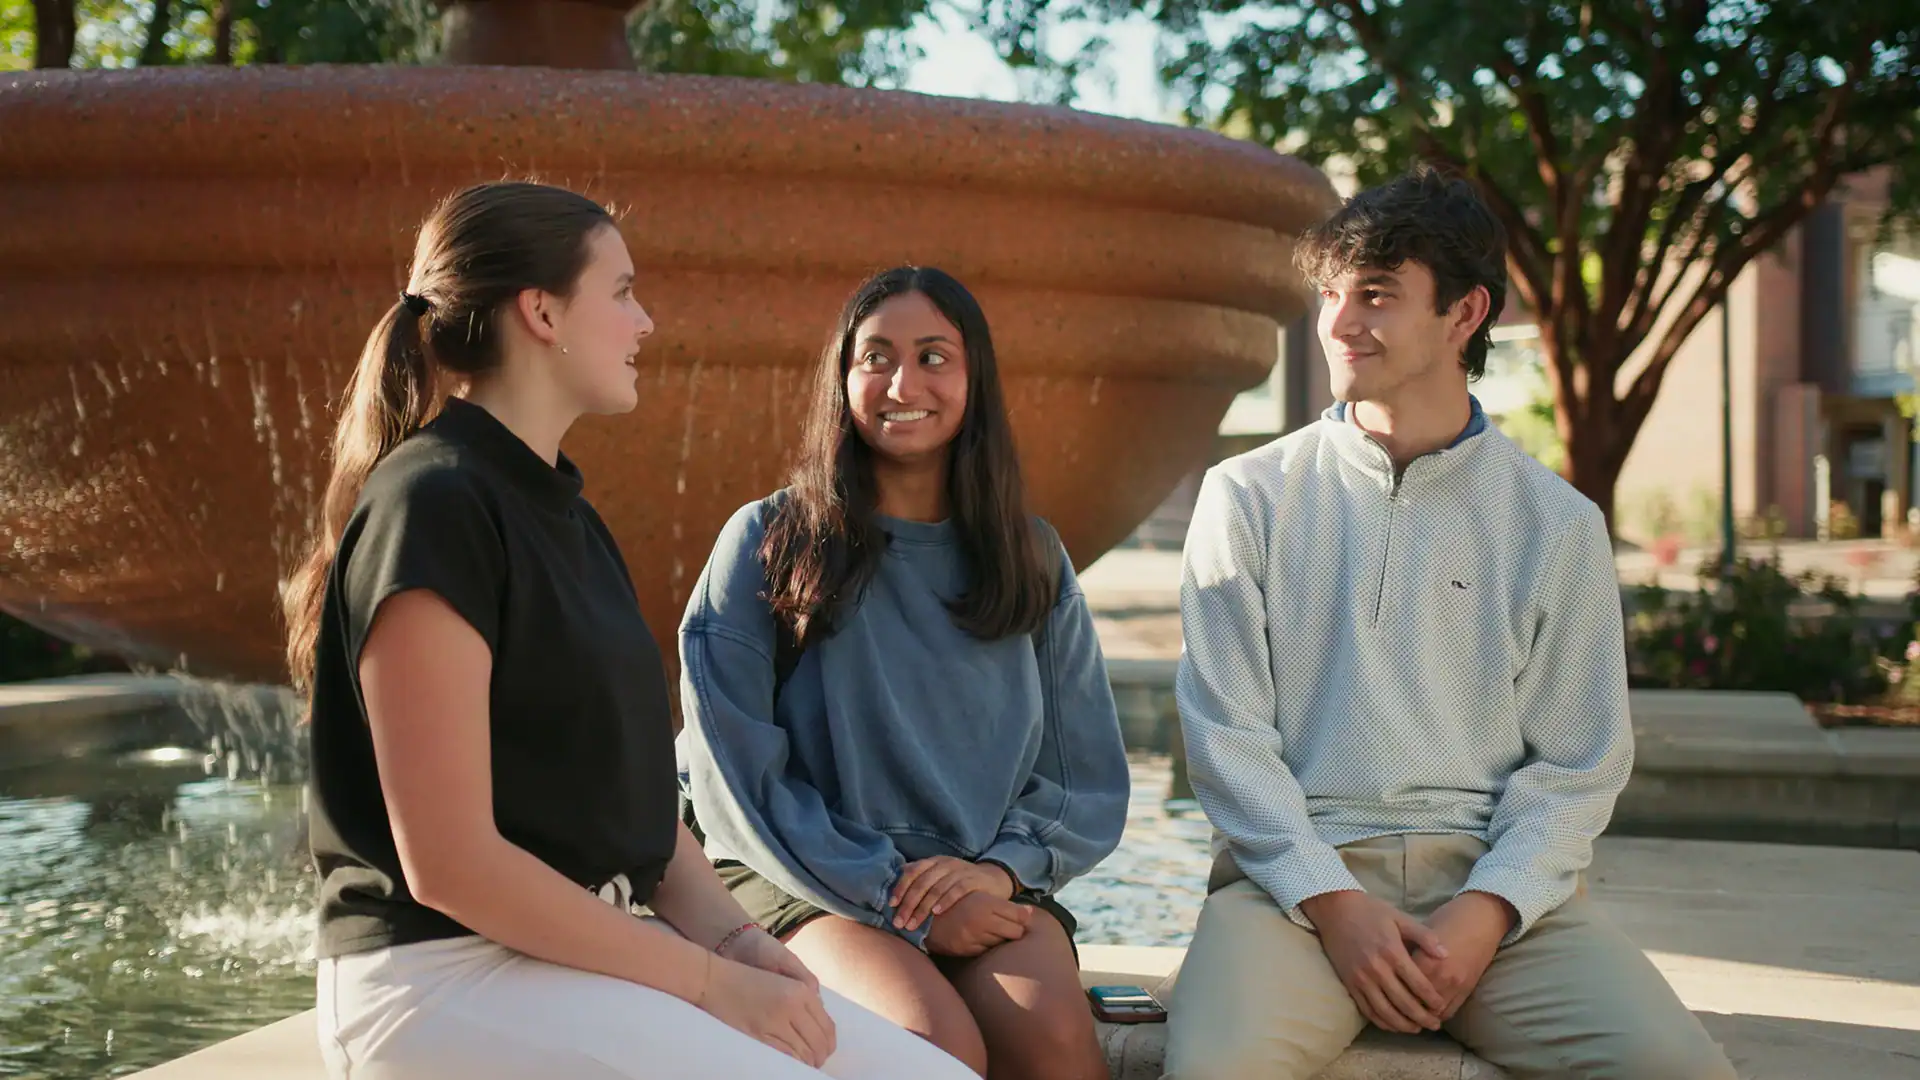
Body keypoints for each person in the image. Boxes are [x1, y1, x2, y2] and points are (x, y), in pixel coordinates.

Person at [284, 182, 978, 1080]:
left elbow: (646, 813)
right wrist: (706, 983)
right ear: (542, 312)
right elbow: (450, 866)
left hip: (582, 956)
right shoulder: (433, 505)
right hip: (439, 980)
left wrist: (738, 945)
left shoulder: (570, 518)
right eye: (620, 291)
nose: (644, 321)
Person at [1162, 169, 1738, 1080]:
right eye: (1331, 295)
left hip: (1493, 894)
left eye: (1377, 295)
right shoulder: (1248, 496)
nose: (1340, 323)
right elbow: (1225, 737)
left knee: (1681, 1072)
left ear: (1465, 314)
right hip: (1293, 894)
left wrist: (1489, 911)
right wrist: (1332, 903)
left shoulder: (1556, 523)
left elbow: (1579, 765)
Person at [677, 266, 1131, 1080]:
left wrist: (998, 872)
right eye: (876, 357)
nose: (902, 384)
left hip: (977, 877)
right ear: (842, 377)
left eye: (933, 357)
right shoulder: (768, 540)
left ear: (974, 377)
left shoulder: (1029, 557)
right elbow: (734, 775)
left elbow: (1080, 779)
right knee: (929, 1046)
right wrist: (901, 898)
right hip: (800, 873)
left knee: (1057, 1044)